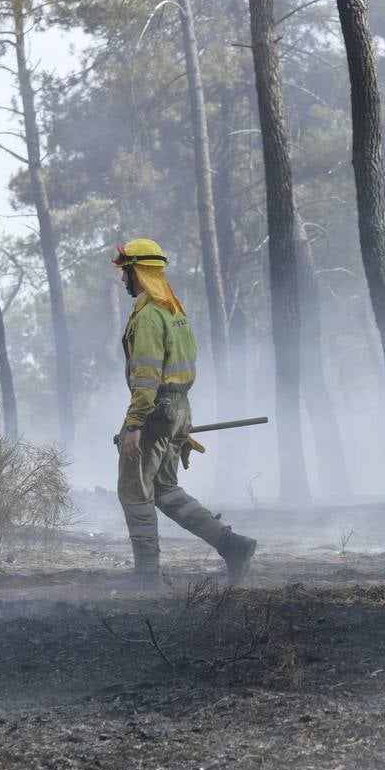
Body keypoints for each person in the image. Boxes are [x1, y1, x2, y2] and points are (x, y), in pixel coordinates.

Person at [113, 238, 256, 590]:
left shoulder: (148, 317)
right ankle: (231, 545)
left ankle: (147, 577)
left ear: (139, 272)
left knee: (135, 491)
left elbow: (146, 376)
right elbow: (181, 374)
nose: (122, 281)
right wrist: (177, 425)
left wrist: (135, 425)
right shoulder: (174, 311)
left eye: (126, 272)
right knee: (163, 488)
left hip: (155, 409)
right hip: (176, 409)